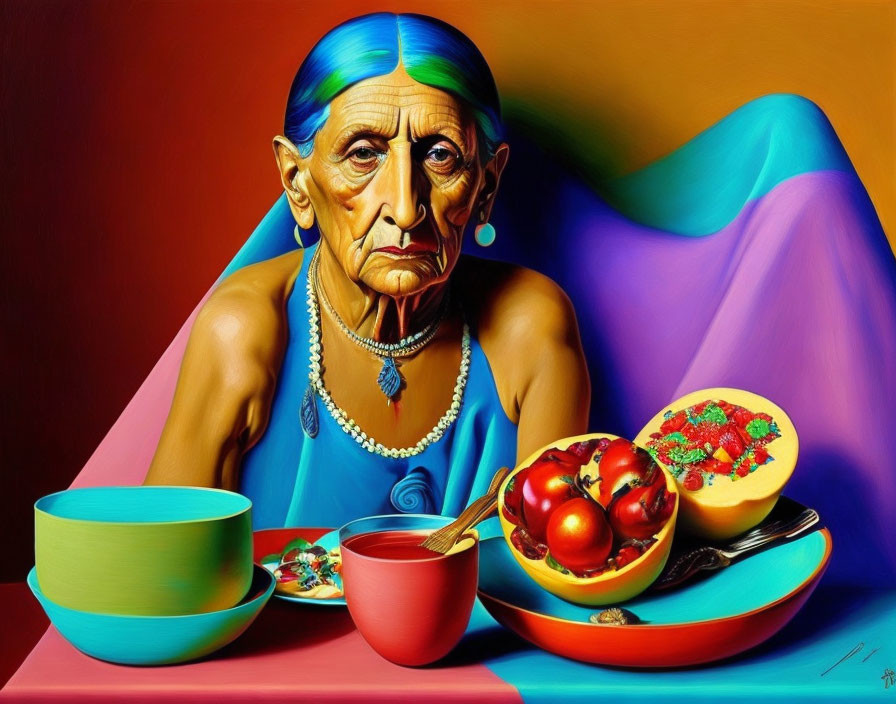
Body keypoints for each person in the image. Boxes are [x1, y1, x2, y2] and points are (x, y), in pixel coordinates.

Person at [144, 13, 590, 528]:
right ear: (297, 182)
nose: (404, 208)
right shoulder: (244, 331)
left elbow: (559, 563)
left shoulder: (529, 328)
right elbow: (164, 577)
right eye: (362, 154)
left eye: (441, 156)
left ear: (485, 187)